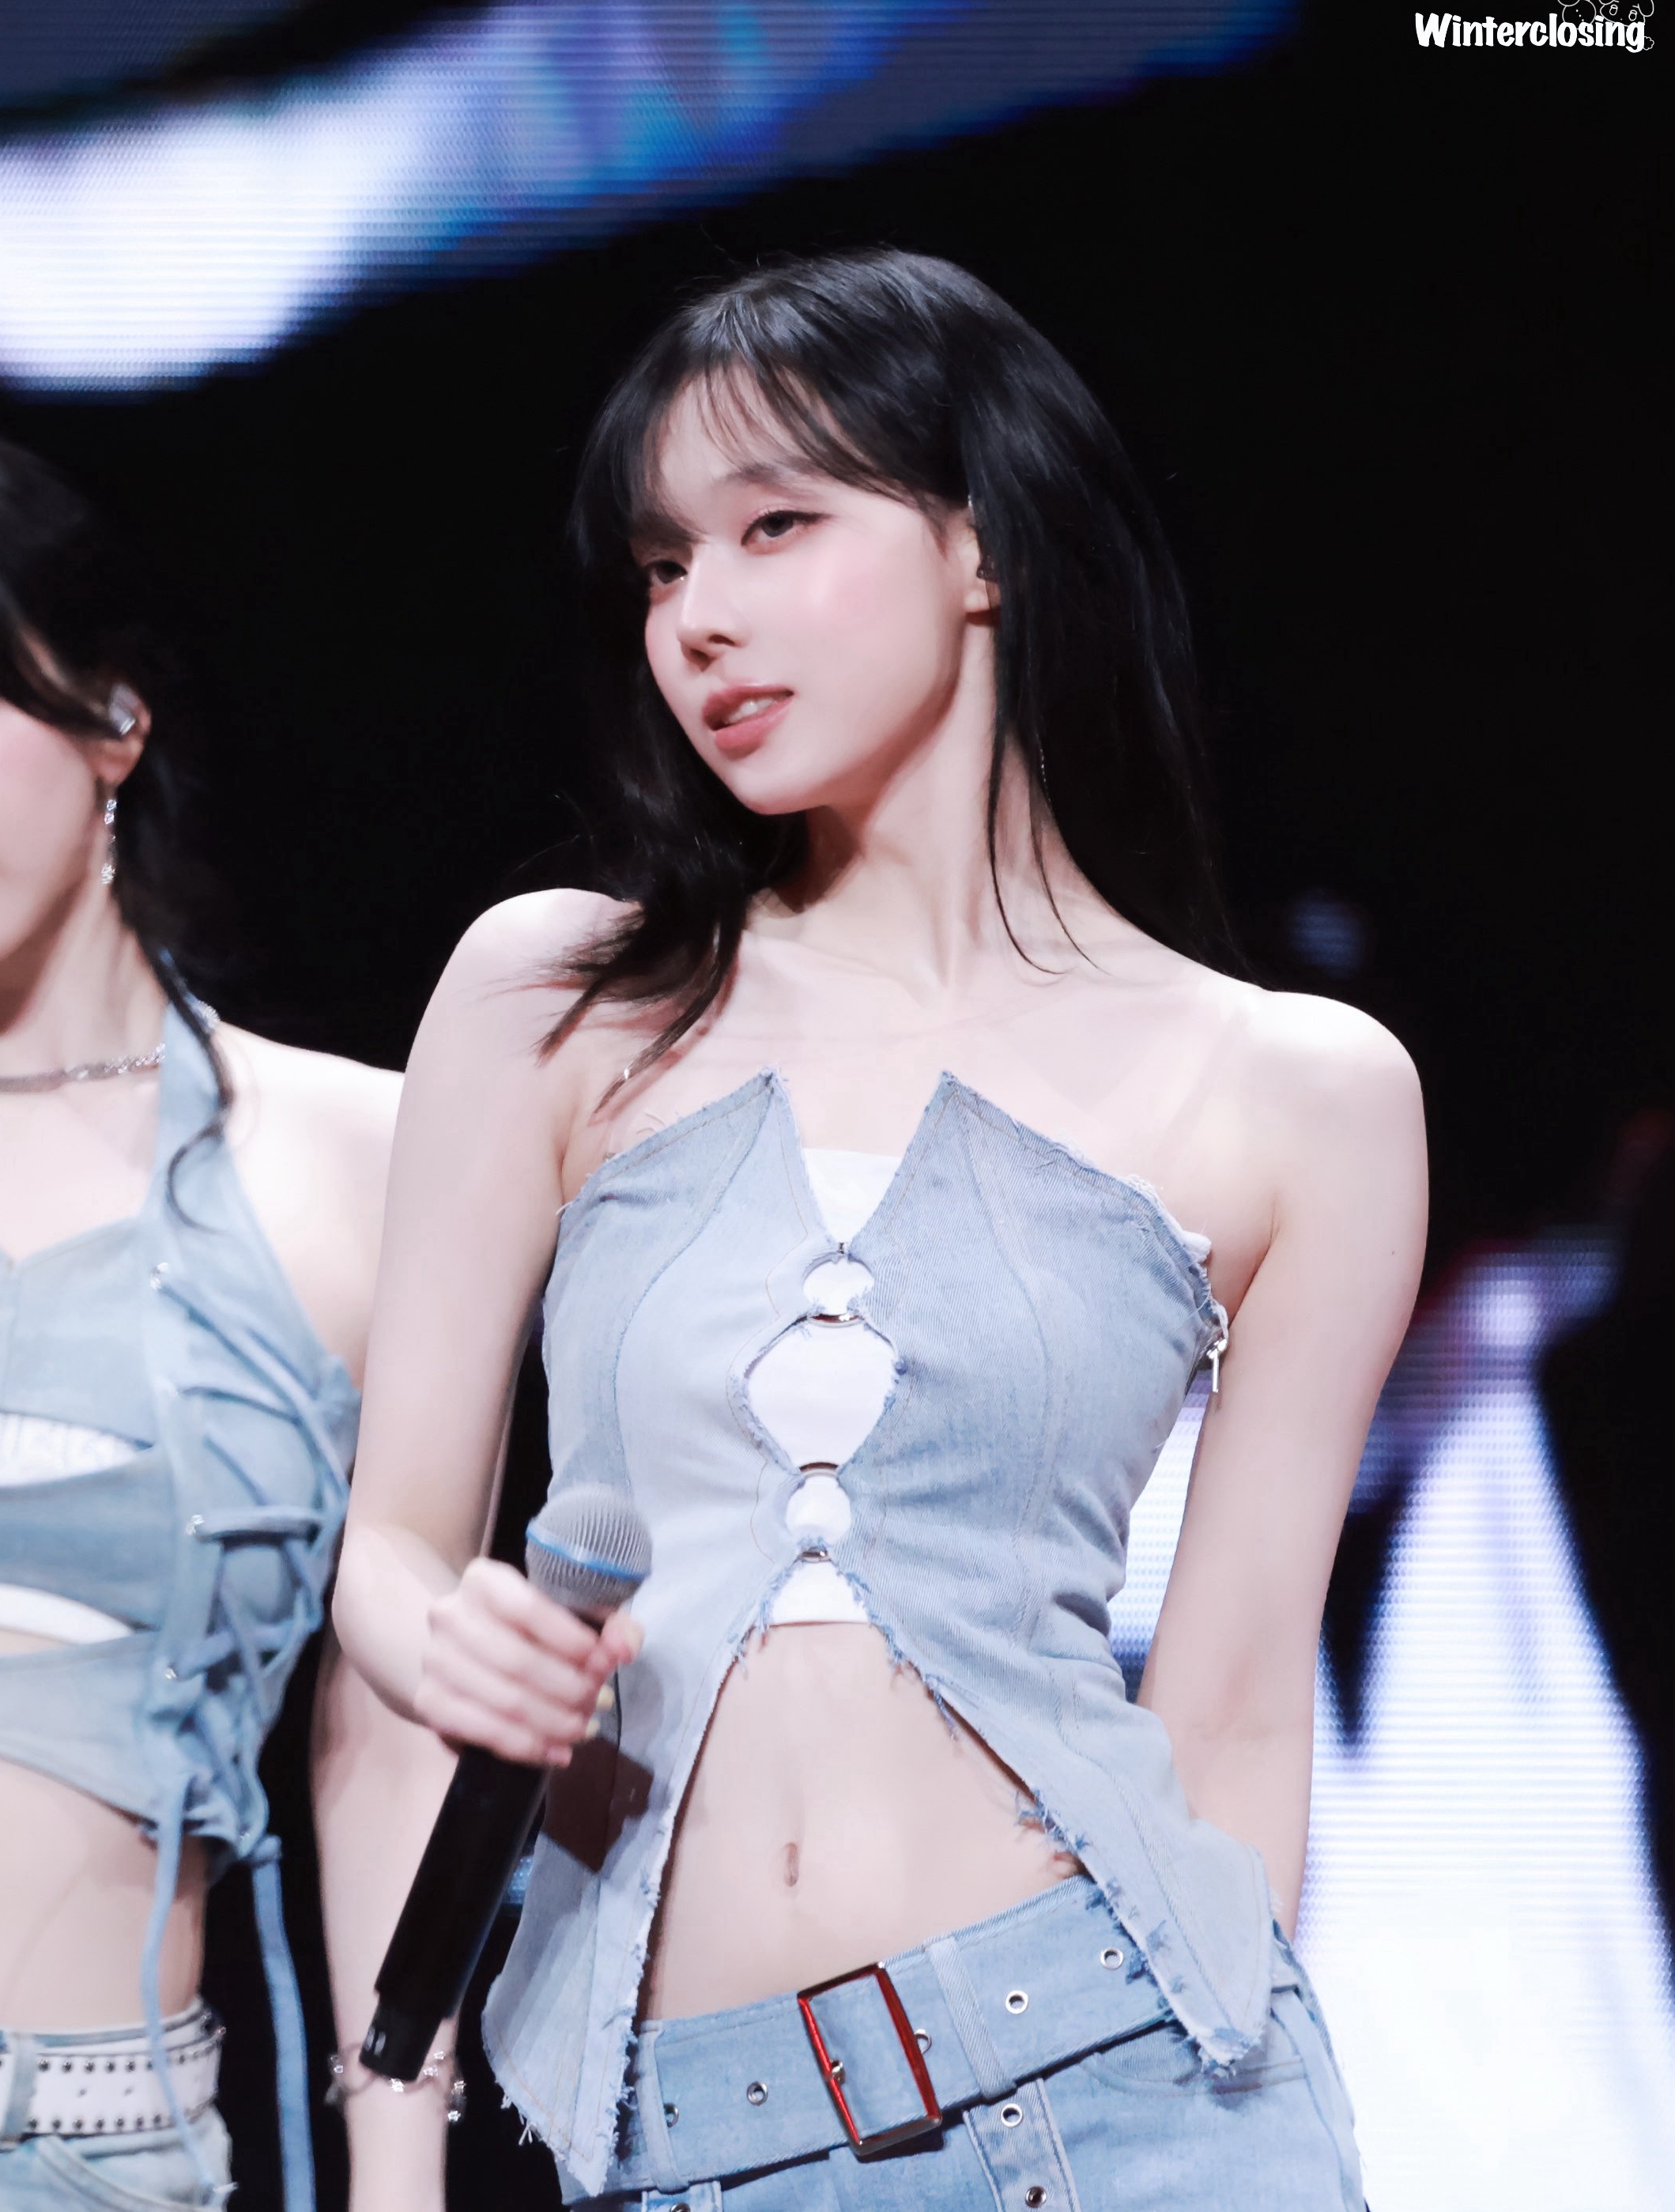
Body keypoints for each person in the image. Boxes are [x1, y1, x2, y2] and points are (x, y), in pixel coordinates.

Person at [334, 250, 1427, 2210]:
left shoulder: (1297, 1090)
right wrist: (445, 1635)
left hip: (1131, 2099)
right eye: (662, 563)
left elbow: (1240, 1705)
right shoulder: (558, 999)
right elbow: (393, 1549)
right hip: (689, 2138)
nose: (700, 616)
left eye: (776, 526)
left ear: (981, 543)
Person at [0, 436, 452, 2212]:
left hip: (106, 2152)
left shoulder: (358, 1159)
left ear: (114, 716)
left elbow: (391, 1728)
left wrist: (396, 2179)